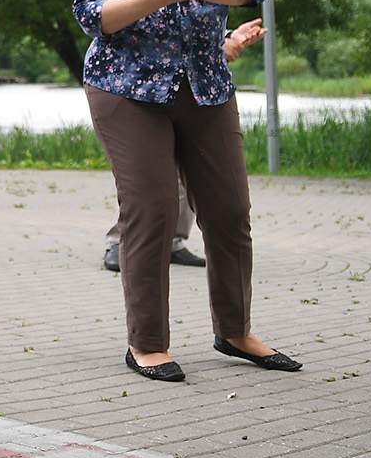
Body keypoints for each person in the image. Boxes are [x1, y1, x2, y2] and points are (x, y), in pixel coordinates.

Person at [73, 0, 299, 382]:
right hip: (127, 89)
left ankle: (235, 331)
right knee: (150, 211)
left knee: (228, 211)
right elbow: (93, 16)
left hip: (205, 83)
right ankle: (147, 343)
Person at [103, 19, 265, 272]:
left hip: (194, 88)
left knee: (189, 175)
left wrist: (227, 37)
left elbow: (191, 16)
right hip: (141, 88)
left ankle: (173, 242)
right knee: (151, 180)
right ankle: (120, 241)